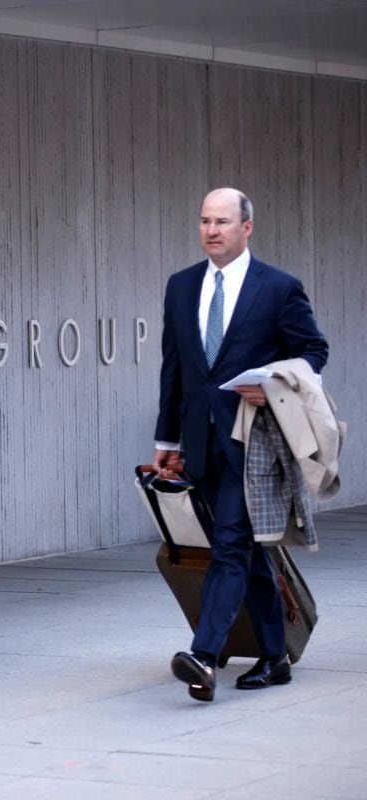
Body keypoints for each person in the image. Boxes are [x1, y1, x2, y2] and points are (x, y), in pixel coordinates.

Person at [153, 187, 328, 702]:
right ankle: (274, 656)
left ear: (246, 227)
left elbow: (313, 352)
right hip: (201, 444)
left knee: (229, 545)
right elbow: (175, 369)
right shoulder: (181, 286)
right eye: (205, 220)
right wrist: (168, 439)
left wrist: (272, 380)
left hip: (253, 442)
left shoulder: (278, 288)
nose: (211, 230)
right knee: (245, 553)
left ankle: (203, 655)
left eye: (223, 222)